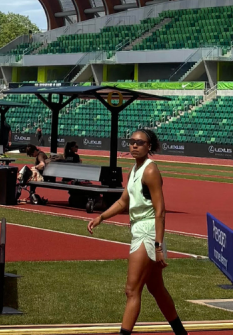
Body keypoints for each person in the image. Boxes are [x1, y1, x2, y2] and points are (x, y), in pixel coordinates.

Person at [88, 129, 187, 335]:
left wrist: (158, 246)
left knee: (132, 290)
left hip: (149, 232)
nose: (134, 145)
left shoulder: (150, 171)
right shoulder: (134, 169)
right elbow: (124, 201)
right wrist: (102, 217)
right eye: (131, 141)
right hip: (140, 229)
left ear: (148, 146)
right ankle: (181, 333)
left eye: (139, 143)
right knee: (157, 289)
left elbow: (160, 212)